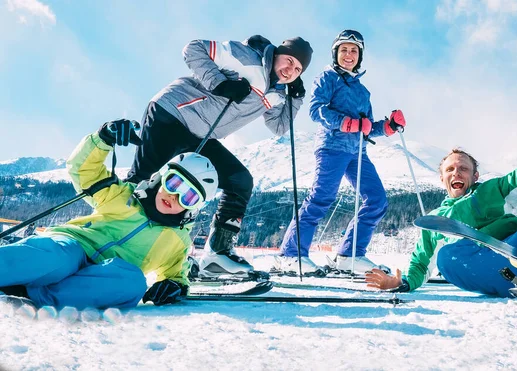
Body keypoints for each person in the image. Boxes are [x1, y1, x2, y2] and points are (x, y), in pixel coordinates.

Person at [365, 90, 517, 298]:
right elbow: (421, 263)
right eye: (450, 169)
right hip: (482, 266)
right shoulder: (436, 221)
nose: (457, 172)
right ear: (442, 178)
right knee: (448, 257)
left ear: (474, 176)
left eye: (464, 168)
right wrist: (402, 283)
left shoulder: (492, 191)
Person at [126, 35, 313, 279]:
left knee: (239, 181)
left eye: (297, 69)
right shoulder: (247, 57)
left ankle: (218, 254)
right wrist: (220, 84)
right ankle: (112, 235)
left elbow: (278, 127)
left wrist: (295, 99)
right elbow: (193, 48)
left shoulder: (278, 93)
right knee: (143, 181)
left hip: (201, 134)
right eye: (289, 61)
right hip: (171, 113)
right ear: (276, 54)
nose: (290, 70)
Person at [0, 119, 218, 310]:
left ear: (193, 207)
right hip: (74, 244)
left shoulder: (177, 241)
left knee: (133, 283)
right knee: (58, 257)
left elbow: (175, 274)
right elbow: (82, 169)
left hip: (104, 274)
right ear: (161, 177)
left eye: (188, 197)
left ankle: (32, 296)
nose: (174, 196)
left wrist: (174, 286)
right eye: (174, 183)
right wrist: (102, 139)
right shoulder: (124, 195)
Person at [273, 30, 406, 276]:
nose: (349, 55)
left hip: (357, 152)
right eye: (344, 49)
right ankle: (291, 256)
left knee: (377, 200)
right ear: (336, 53)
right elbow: (316, 110)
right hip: (332, 147)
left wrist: (388, 127)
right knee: (321, 199)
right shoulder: (328, 78)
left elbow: (367, 128)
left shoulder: (363, 92)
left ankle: (350, 255)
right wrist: (348, 123)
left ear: (360, 56)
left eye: (354, 51)